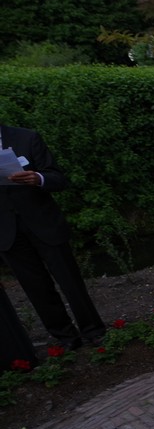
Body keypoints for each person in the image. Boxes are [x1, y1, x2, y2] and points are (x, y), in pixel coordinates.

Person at [0, 124, 106, 349]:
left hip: (44, 223)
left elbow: (58, 178)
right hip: (7, 232)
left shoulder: (27, 138)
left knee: (70, 280)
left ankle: (93, 330)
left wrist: (38, 178)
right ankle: (66, 337)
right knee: (36, 288)